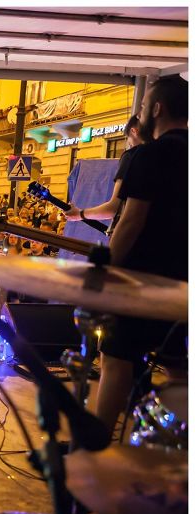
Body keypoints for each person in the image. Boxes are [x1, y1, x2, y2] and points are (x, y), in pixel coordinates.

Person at [91, 76, 188, 433]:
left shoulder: (148, 155)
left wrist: (105, 270)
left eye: (144, 106)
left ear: (157, 109)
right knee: (178, 365)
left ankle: (98, 440)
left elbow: (131, 221)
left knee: (116, 359)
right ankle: (180, 444)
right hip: (183, 281)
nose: (142, 112)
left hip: (140, 280)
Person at [64, 115, 144, 236]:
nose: (129, 144)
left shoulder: (132, 156)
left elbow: (113, 208)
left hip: (133, 237)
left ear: (134, 131)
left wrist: (79, 214)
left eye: (129, 140)